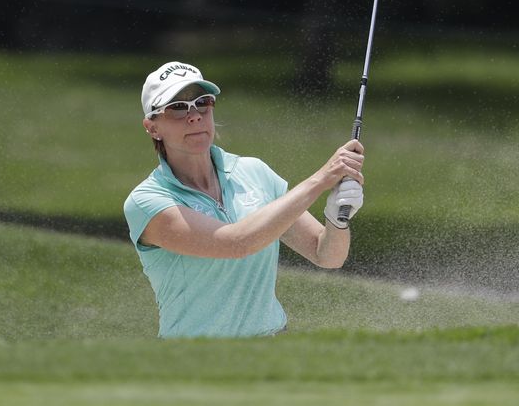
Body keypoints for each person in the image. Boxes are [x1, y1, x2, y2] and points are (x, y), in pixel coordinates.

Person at [123, 61, 365, 338]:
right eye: (177, 107)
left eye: (203, 102)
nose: (194, 115)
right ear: (152, 127)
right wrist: (322, 179)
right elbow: (236, 243)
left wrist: (336, 221)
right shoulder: (147, 201)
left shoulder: (254, 172)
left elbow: (327, 255)